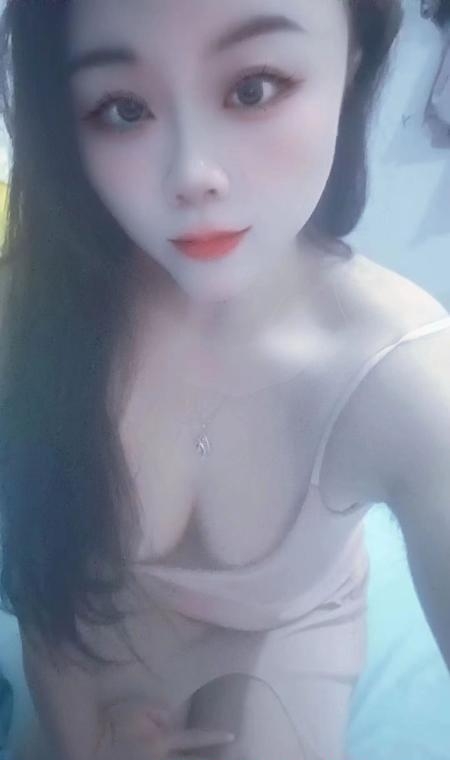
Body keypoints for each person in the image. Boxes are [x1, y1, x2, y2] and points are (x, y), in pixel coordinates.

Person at [0, 1, 449, 759]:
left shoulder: (406, 378)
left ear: (353, 64)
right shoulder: (38, 309)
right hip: (83, 635)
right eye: (124, 108)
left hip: (281, 640)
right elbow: (45, 580)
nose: (192, 175)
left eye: (253, 88)